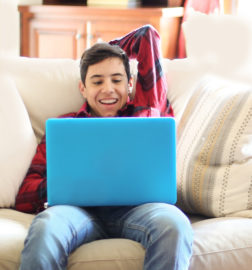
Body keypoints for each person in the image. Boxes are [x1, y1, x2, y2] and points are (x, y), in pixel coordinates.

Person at [15, 25, 193, 270]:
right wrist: (64, 184)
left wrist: (110, 47)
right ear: (83, 88)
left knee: (175, 225)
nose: (108, 89)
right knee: (46, 227)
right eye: (97, 81)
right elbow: (25, 195)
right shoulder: (65, 127)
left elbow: (147, 36)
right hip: (77, 213)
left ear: (130, 84)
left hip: (138, 211)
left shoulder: (148, 114)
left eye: (117, 80)